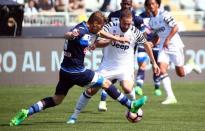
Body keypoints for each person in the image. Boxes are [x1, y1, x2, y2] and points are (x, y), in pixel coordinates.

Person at [9, 11, 147, 126]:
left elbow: (101, 34)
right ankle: (131, 105)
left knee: (57, 99)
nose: (101, 29)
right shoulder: (81, 31)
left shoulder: (88, 27)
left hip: (65, 71)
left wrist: (116, 38)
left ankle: (27, 112)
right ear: (95, 23)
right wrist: (71, 35)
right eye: (100, 26)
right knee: (106, 83)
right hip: (78, 72)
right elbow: (70, 34)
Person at [66, 9, 160, 124]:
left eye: (129, 23)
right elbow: (97, 43)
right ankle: (74, 116)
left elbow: (146, 44)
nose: (127, 26)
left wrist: (154, 62)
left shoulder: (135, 31)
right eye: (125, 23)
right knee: (91, 90)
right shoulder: (110, 26)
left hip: (126, 66)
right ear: (120, 20)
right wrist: (113, 39)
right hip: (108, 65)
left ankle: (133, 108)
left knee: (127, 88)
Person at [145, 0, 202, 104]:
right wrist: (152, 44)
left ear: (157, 4)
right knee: (162, 70)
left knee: (181, 73)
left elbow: (175, 27)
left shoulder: (164, 14)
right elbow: (157, 36)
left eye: (153, 3)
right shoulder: (151, 21)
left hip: (174, 44)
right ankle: (171, 97)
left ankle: (191, 65)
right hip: (163, 46)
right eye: (149, 4)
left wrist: (168, 39)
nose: (151, 6)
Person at [98, 0, 144, 111]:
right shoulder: (113, 15)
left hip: (128, 53)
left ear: (131, 5)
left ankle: (132, 105)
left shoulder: (137, 19)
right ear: (121, 4)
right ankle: (103, 101)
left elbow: (142, 36)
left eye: (128, 4)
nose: (126, 6)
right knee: (106, 79)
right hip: (111, 51)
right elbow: (104, 33)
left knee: (126, 85)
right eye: (124, 3)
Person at [134, 4, 161, 96]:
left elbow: (161, 33)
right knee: (142, 64)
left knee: (156, 65)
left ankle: (157, 87)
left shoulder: (158, 17)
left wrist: (154, 43)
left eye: (152, 5)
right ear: (145, 6)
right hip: (143, 44)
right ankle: (138, 86)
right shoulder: (139, 17)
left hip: (155, 44)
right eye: (148, 5)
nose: (150, 7)